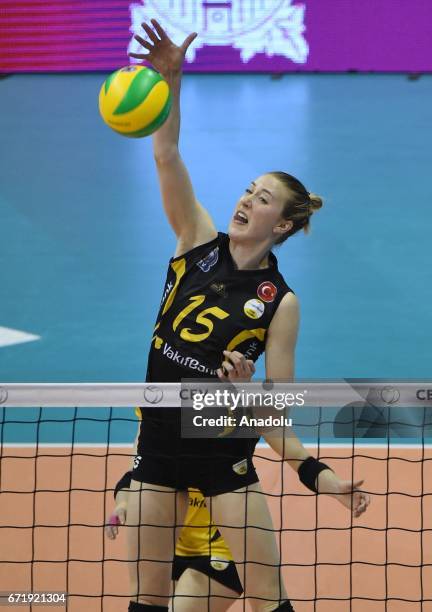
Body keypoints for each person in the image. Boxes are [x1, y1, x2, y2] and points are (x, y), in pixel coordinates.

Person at [124, 18, 370, 612]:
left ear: (281, 225)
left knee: (265, 596)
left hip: (219, 449)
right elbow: (166, 153)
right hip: (157, 441)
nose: (244, 200)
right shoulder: (194, 239)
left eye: (261, 199)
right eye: (247, 189)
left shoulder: (281, 304)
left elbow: (275, 407)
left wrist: (244, 395)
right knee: (146, 598)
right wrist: (169, 82)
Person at [106, 476, 242, 612]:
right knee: (144, 605)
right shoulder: (163, 456)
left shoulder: (223, 457)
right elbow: (132, 477)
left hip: (221, 554)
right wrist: (122, 503)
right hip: (171, 551)